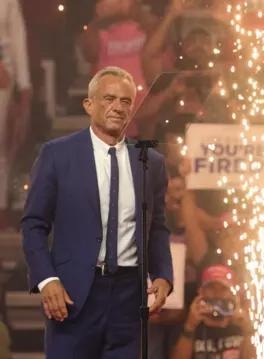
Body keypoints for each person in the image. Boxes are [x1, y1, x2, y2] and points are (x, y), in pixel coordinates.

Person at [21, 66, 173, 359]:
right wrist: (46, 279)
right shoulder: (57, 154)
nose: (118, 107)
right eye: (109, 98)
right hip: (72, 295)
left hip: (129, 300)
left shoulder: (150, 163)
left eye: (126, 101)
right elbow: (33, 224)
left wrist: (163, 274)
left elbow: (157, 227)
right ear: (89, 104)